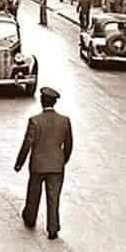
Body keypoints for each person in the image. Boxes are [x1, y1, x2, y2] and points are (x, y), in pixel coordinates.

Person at [14, 87, 73, 240]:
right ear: (54, 102)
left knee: (34, 193)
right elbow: (69, 145)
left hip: (38, 165)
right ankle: (53, 229)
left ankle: (30, 218)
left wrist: (19, 163)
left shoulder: (35, 121)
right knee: (54, 198)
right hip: (56, 166)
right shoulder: (65, 121)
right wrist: (62, 160)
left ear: (42, 101)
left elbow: (27, 144)